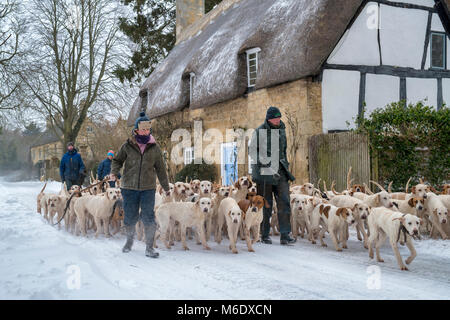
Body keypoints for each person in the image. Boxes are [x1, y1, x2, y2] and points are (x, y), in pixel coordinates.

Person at [111, 111, 170, 258]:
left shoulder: (155, 148)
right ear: (136, 130)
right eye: (143, 129)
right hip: (129, 187)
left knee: (149, 217)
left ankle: (149, 247)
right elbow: (117, 160)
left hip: (148, 188)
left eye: (148, 129)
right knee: (130, 216)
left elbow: (161, 169)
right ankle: (129, 241)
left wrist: (166, 187)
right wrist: (114, 171)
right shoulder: (127, 146)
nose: (145, 132)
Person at [249, 106, 296, 245]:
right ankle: (264, 234)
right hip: (264, 172)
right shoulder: (259, 131)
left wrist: (285, 164)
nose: (277, 120)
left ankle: (285, 234)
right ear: (269, 119)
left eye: (279, 118)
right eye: (275, 118)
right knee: (264, 203)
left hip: (280, 170)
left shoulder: (282, 129)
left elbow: (284, 149)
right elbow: (252, 151)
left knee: (284, 201)